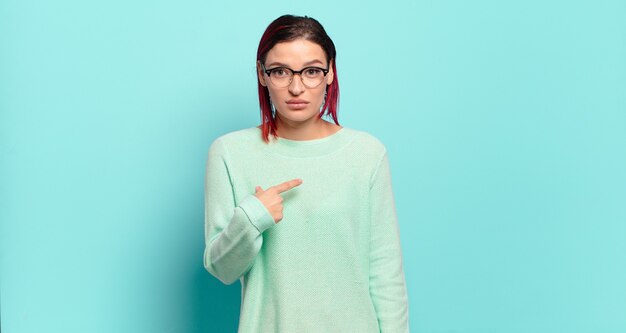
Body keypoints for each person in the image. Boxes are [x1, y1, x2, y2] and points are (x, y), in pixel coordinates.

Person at [204, 14, 409, 332]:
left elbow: (385, 274)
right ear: (262, 74)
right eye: (281, 71)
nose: (296, 87)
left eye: (311, 71)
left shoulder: (367, 154)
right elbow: (222, 269)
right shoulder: (229, 153)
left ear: (330, 74)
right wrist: (252, 217)